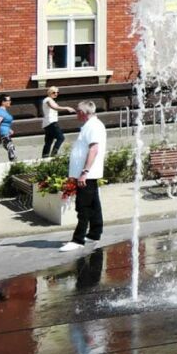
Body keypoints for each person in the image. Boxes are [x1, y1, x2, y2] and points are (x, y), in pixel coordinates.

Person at [60, 101, 107, 253]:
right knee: (93, 204)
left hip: (88, 174)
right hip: (87, 174)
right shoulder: (89, 125)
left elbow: (94, 149)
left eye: (78, 111)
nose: (76, 114)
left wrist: (84, 172)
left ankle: (78, 239)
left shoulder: (94, 126)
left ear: (85, 113)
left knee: (83, 206)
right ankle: (95, 233)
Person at [41, 86, 76, 158]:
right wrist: (67, 108)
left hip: (47, 123)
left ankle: (44, 157)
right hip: (51, 122)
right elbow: (54, 107)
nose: (56, 94)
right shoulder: (48, 99)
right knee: (61, 138)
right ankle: (54, 155)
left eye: (57, 92)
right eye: (54, 92)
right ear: (50, 92)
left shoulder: (51, 100)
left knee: (48, 141)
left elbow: (56, 107)